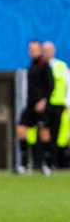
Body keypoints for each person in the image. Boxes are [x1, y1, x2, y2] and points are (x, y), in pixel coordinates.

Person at [15, 41, 53, 174]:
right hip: (30, 106)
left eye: (35, 49)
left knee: (44, 134)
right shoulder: (31, 66)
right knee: (20, 130)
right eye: (31, 49)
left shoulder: (44, 65)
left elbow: (50, 85)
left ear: (40, 50)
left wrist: (44, 101)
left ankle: (48, 164)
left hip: (41, 106)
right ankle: (25, 164)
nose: (33, 51)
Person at [42, 41, 69, 171]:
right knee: (44, 133)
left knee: (56, 134)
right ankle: (43, 162)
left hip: (58, 105)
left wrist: (67, 102)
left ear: (54, 51)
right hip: (44, 105)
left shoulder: (61, 66)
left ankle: (54, 162)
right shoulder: (39, 66)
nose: (47, 52)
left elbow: (68, 85)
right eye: (45, 49)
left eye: (49, 49)